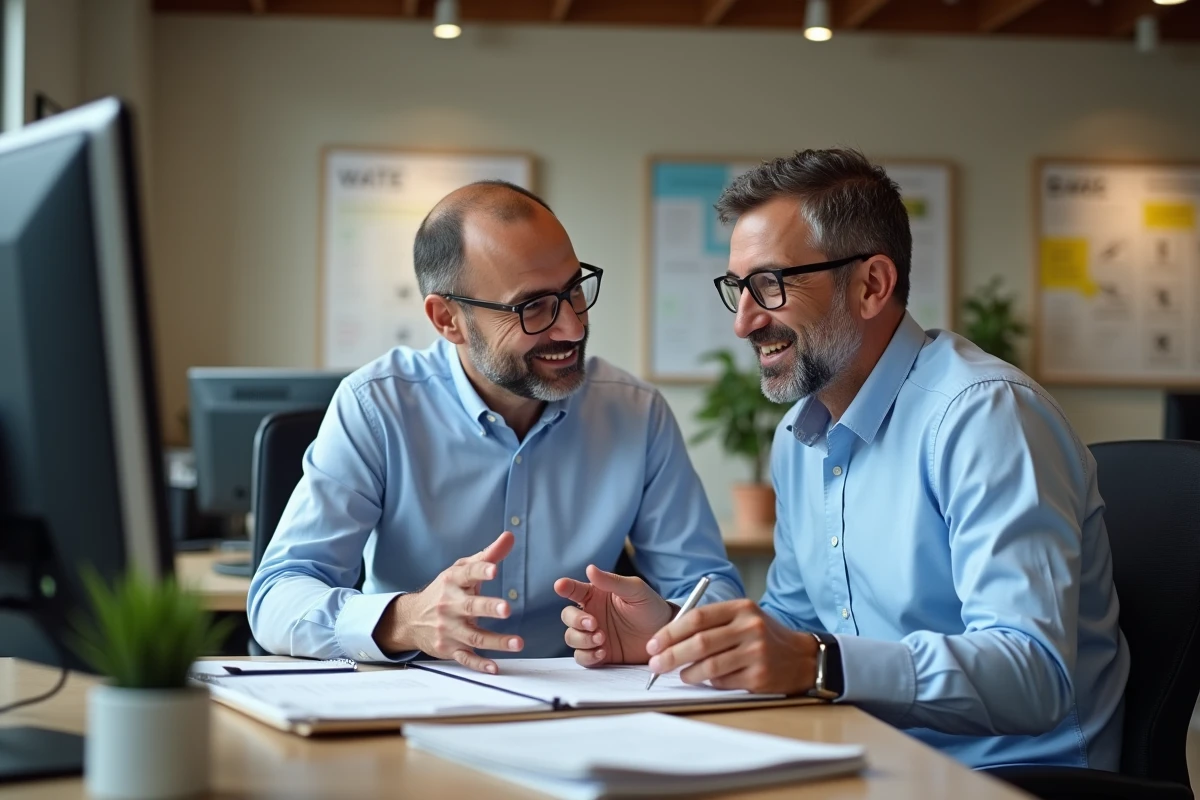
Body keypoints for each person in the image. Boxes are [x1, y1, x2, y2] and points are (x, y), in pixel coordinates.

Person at [561, 150, 1129, 770]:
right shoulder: (798, 438)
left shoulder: (984, 417)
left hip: (1005, 777)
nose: (744, 322)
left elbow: (1034, 674)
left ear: (871, 285)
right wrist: (675, 633)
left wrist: (819, 663)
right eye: (738, 289)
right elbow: (790, 622)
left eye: (771, 285)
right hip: (866, 757)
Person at [248, 181, 743, 673]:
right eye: (532, 307)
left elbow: (711, 587)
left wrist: (667, 623)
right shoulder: (376, 406)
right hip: (415, 699)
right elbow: (276, 597)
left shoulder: (637, 413)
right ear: (448, 319)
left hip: (581, 701)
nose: (572, 327)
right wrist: (406, 619)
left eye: (574, 290)